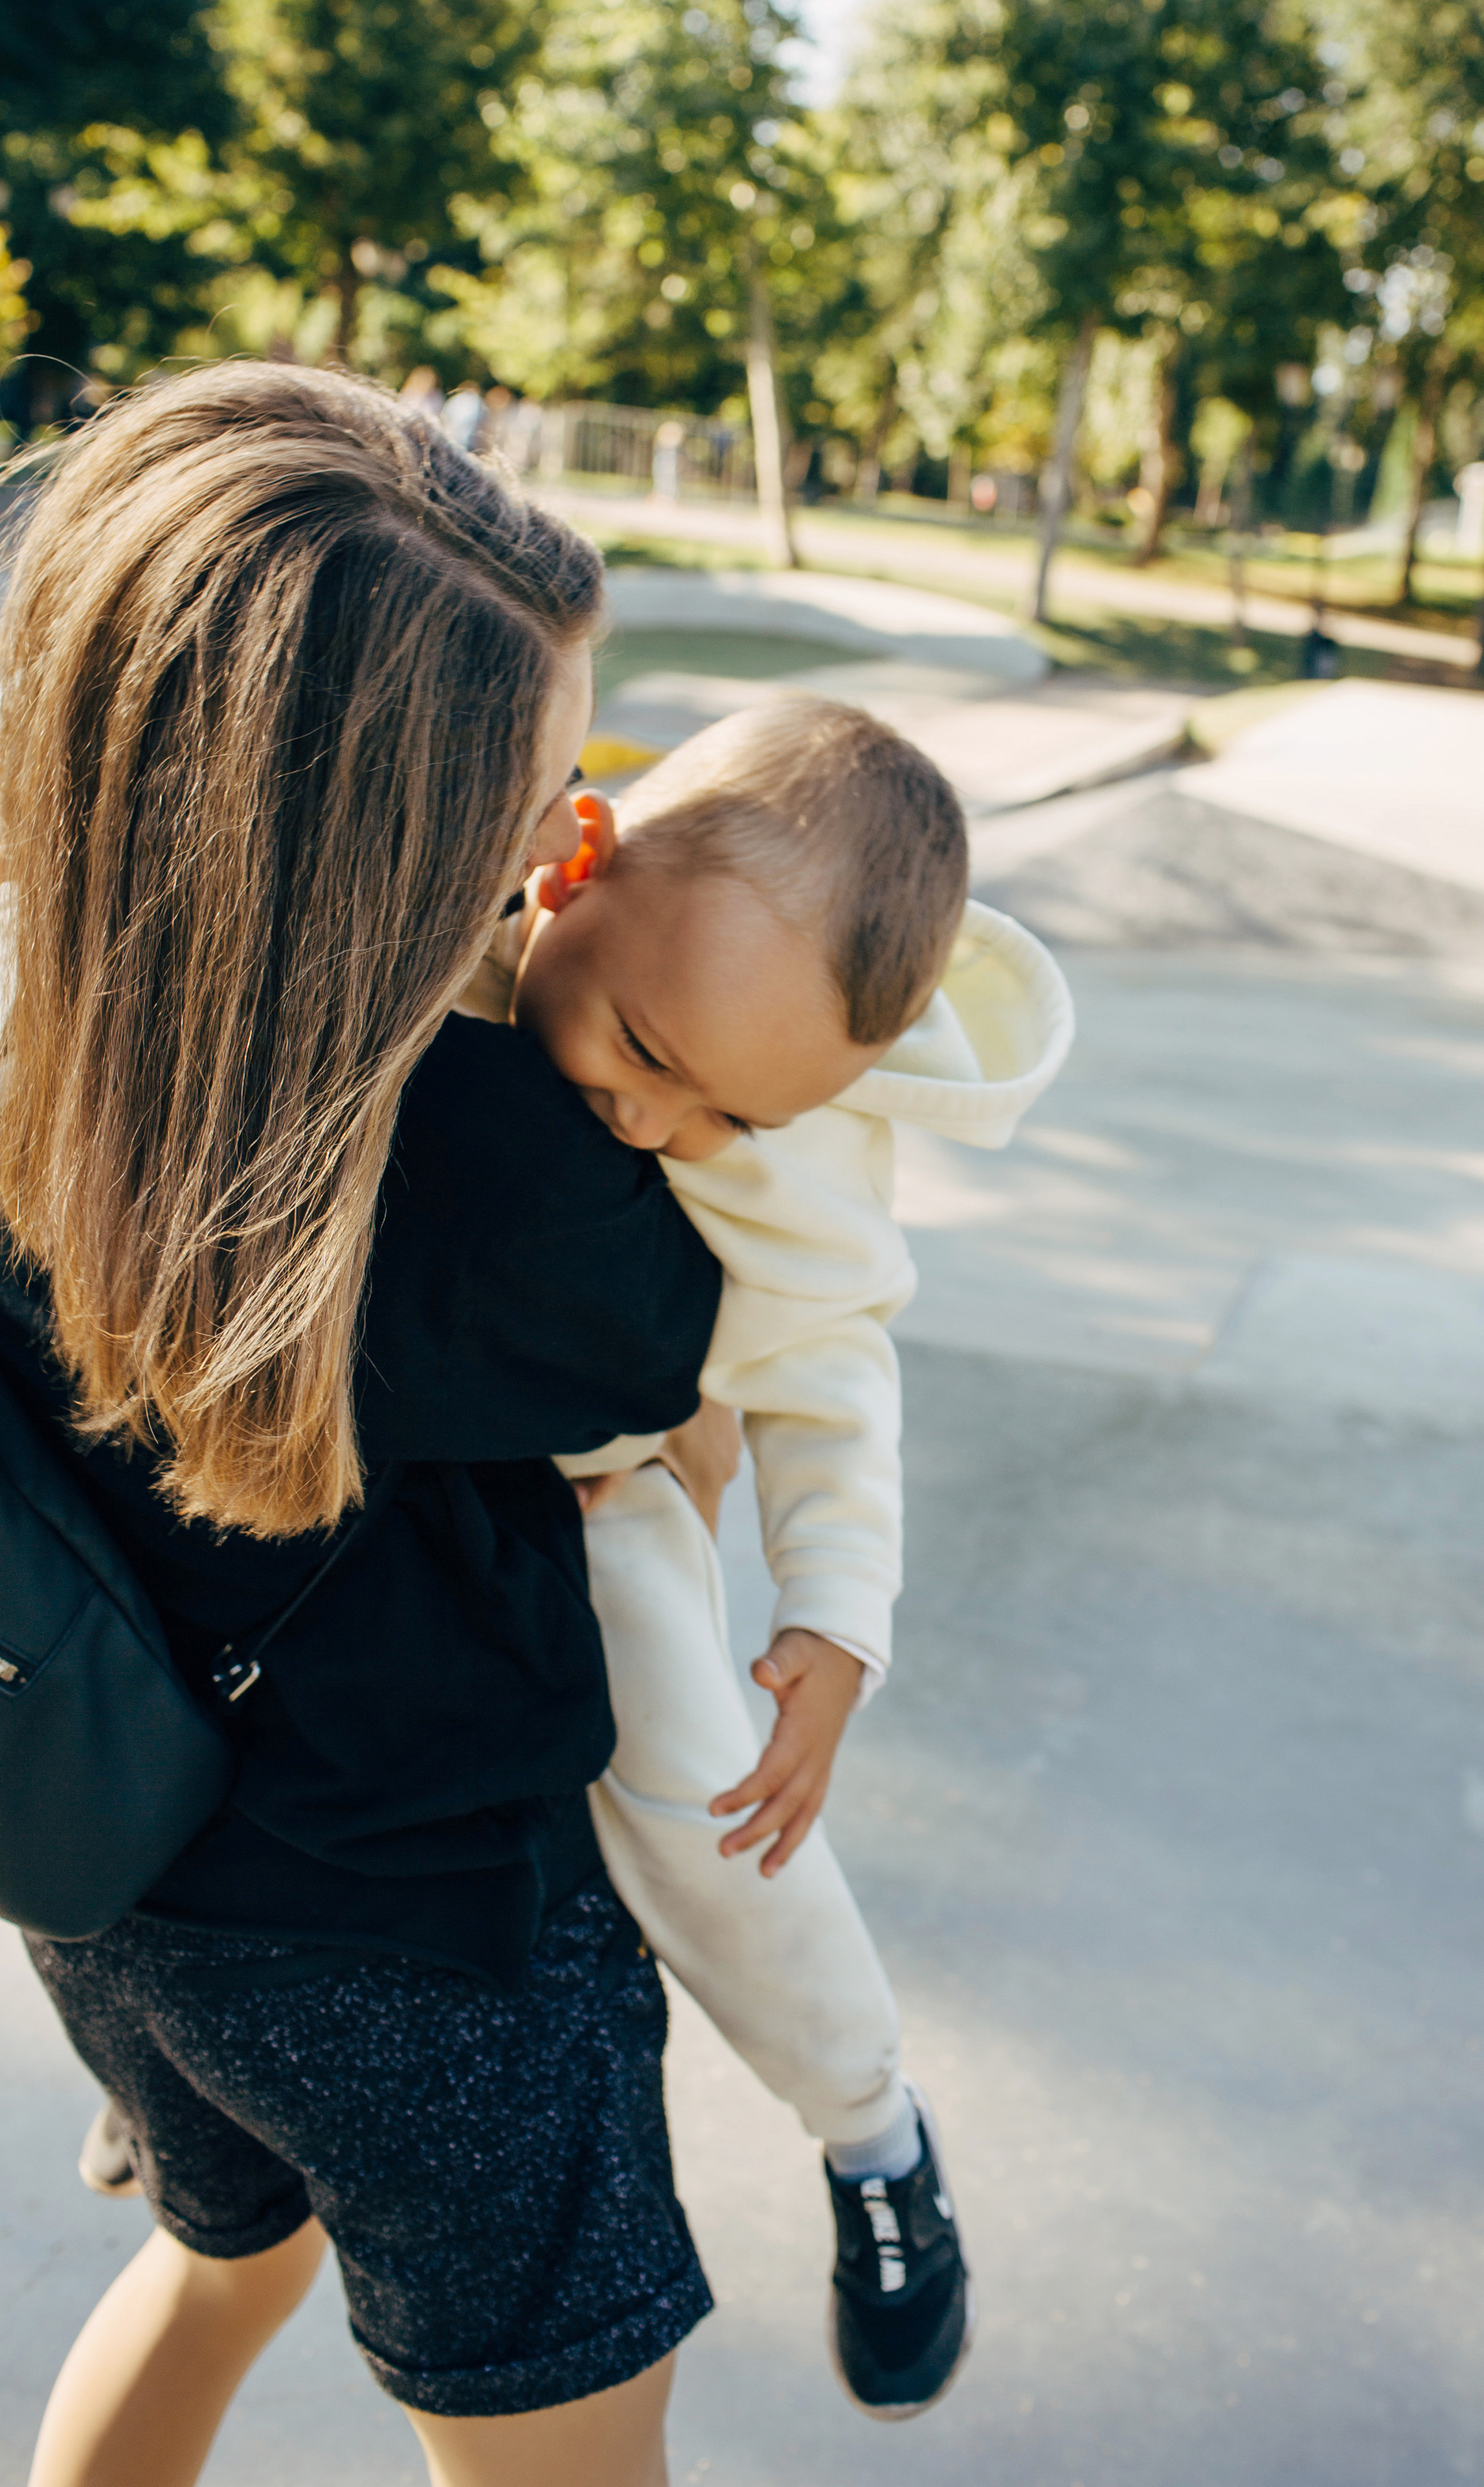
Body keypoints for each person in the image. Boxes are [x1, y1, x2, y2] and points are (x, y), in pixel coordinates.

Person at [0, 359, 737, 2487]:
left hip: (110, 1884)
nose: (565, 858)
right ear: (376, 863)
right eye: (539, 811)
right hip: (432, 1951)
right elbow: (691, 1398)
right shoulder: (502, 1177)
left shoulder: (46, 1053)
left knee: (215, 2273)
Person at [480, 698, 1073, 2417]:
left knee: (708, 1803)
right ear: (574, 862)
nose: (650, 1120)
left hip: (608, 1500)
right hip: (363, 1480)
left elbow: (828, 1368)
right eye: (645, 1049)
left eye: (720, 1116)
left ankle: (871, 2130)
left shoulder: (792, 1127)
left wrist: (833, 1617)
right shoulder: (432, 929)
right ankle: (171, 2079)